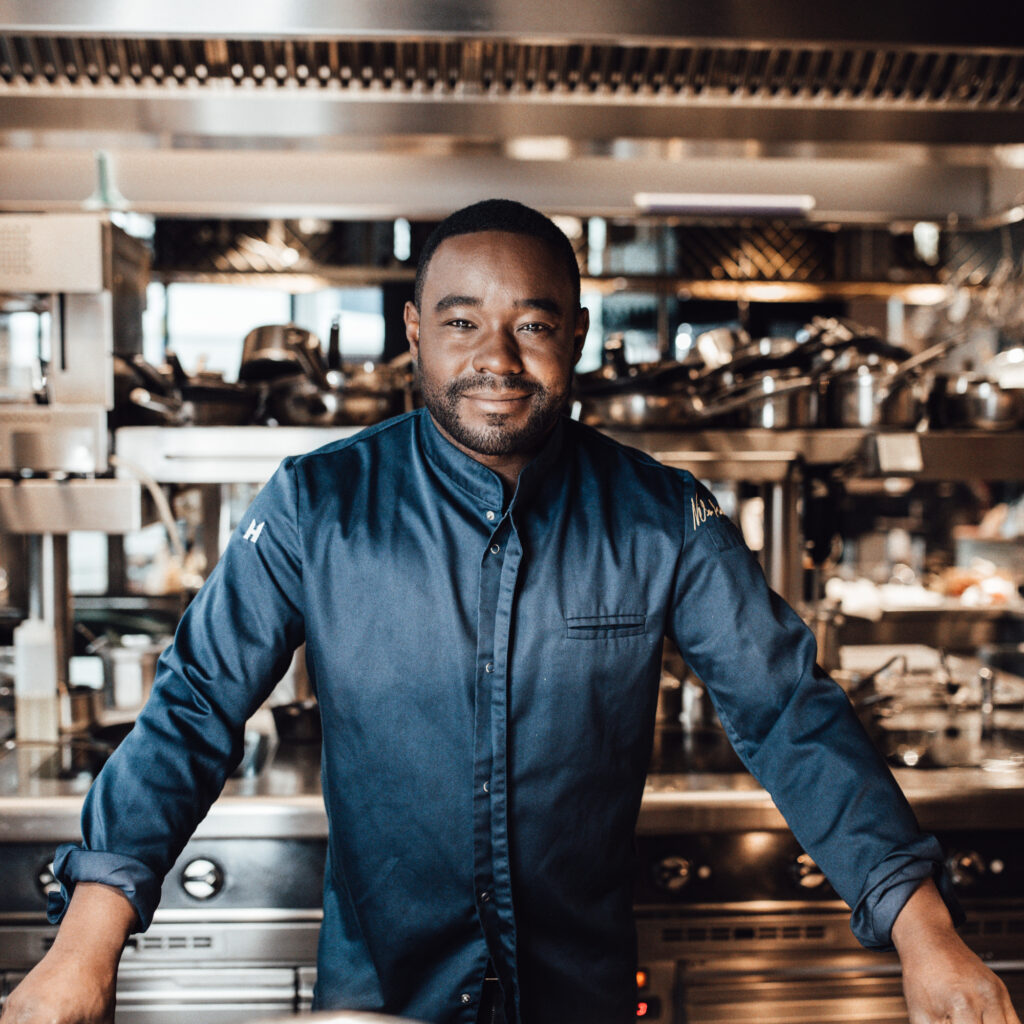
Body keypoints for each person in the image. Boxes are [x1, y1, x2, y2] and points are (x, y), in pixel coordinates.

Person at [2, 199, 1018, 1024]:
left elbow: (787, 710)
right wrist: (86, 941)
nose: (497, 355)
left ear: (575, 334)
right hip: (384, 997)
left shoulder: (662, 515)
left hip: (579, 998)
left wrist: (923, 931)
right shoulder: (317, 504)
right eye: (461, 322)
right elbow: (195, 705)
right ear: (414, 333)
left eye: (531, 323)